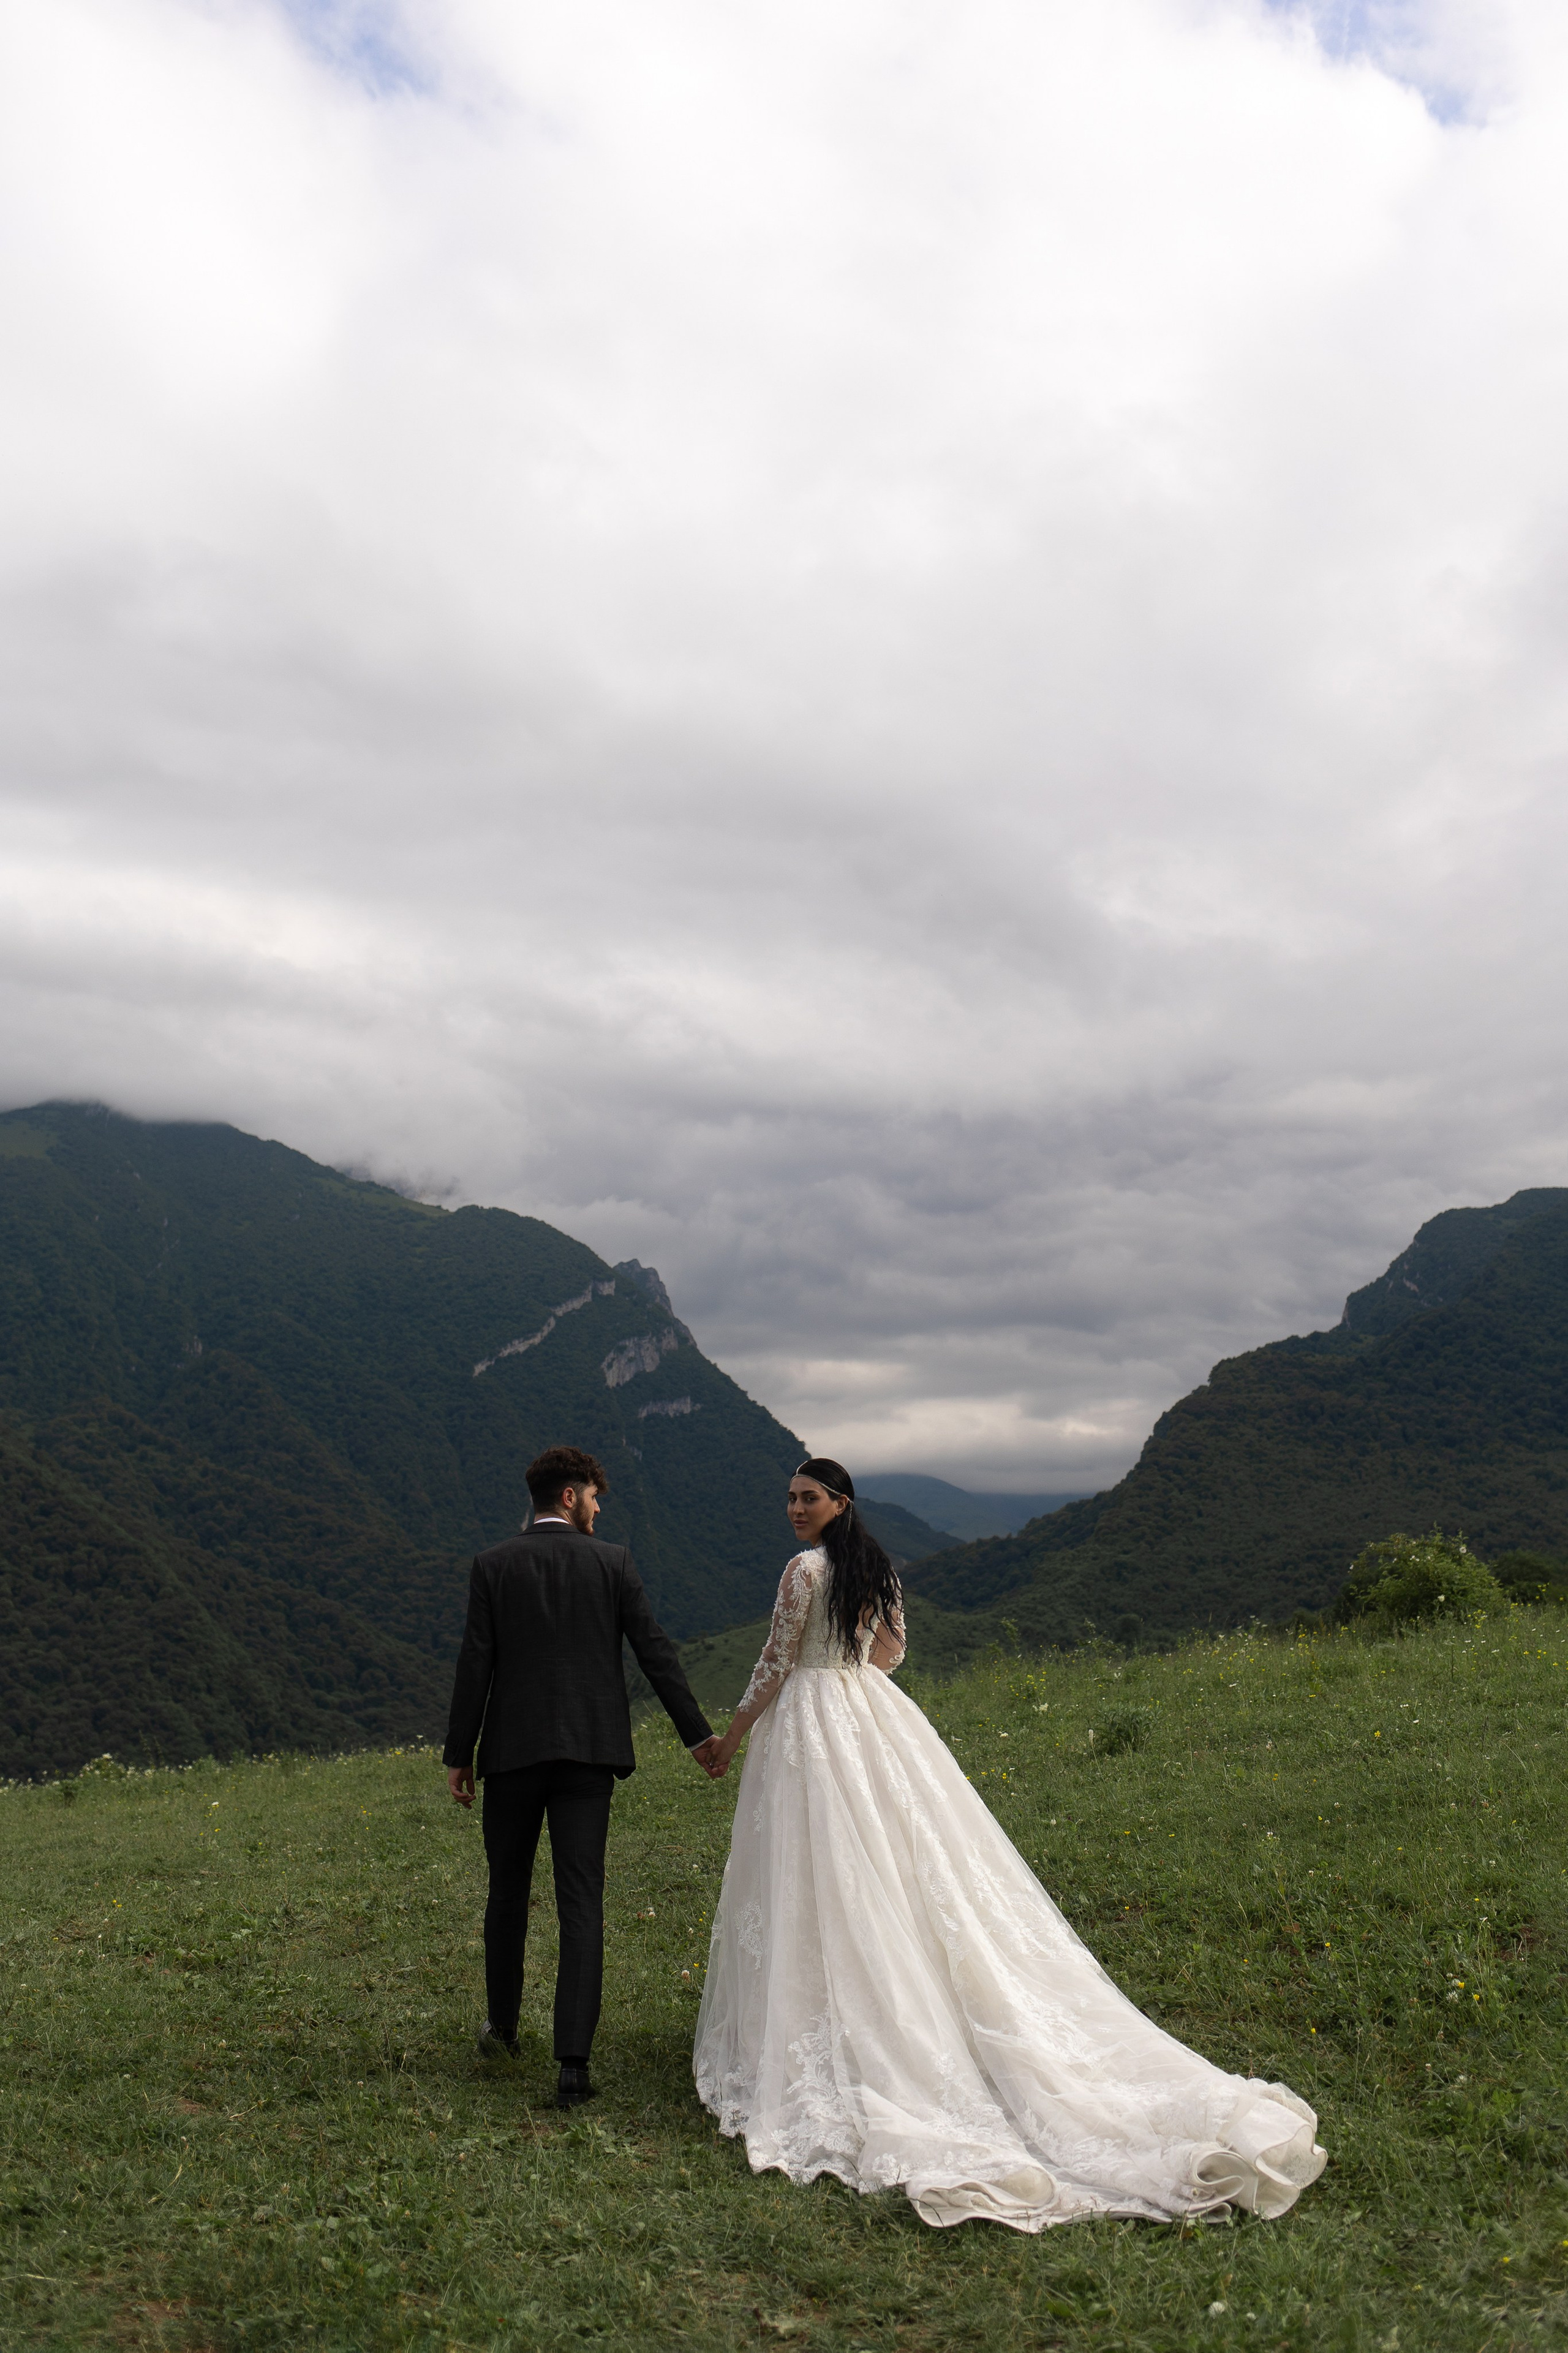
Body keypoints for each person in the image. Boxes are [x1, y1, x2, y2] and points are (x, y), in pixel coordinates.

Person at [693, 1457, 1327, 2231]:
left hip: (812, 1719)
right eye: (791, 1498)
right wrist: (850, 1660)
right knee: (888, 1859)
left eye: (807, 1498)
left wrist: (731, 1736)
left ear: (838, 1503)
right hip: (868, 1712)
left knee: (817, 1864)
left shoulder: (802, 1571)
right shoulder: (874, 1568)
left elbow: (775, 1659)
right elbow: (893, 1654)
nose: (795, 1508)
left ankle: (819, 2018)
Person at [445, 1443, 719, 2108]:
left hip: (511, 1754)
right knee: (580, 1899)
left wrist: (460, 1753)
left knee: (507, 1892)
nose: (598, 1509)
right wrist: (697, 1736)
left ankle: (504, 2029)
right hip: (589, 1755)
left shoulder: (492, 1565)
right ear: (569, 1496)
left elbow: (475, 1663)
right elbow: (654, 1651)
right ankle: (573, 2063)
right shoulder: (612, 1562)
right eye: (594, 1496)